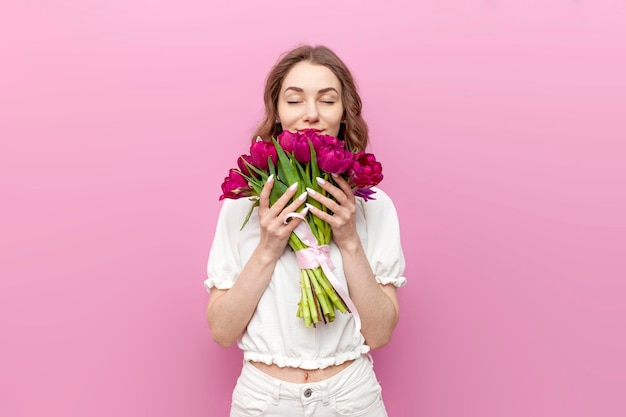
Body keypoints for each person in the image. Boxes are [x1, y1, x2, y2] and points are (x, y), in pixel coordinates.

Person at [205, 44, 406, 417]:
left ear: (344, 113)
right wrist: (267, 247)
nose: (310, 115)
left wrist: (348, 241)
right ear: (277, 112)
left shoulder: (374, 206)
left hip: (351, 399)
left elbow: (379, 334)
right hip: (263, 401)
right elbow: (222, 331)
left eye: (327, 101)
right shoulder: (243, 204)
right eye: (294, 100)